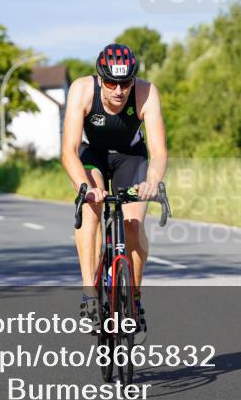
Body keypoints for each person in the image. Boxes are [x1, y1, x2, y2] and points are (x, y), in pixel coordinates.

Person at [60, 43, 168, 331]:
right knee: (92, 207)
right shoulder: (82, 90)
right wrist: (85, 186)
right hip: (92, 154)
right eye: (111, 82)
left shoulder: (146, 93)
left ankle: (133, 297)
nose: (118, 90)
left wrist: (152, 183)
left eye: (125, 83)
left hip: (130, 157)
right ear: (100, 79)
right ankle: (89, 296)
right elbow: (69, 150)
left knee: (133, 225)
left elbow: (158, 152)